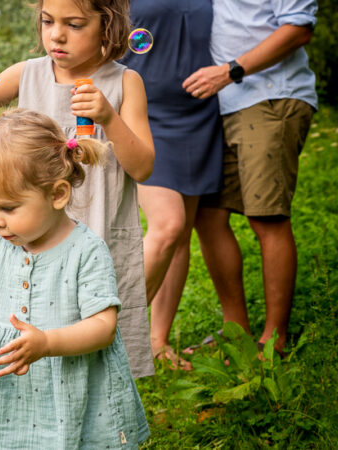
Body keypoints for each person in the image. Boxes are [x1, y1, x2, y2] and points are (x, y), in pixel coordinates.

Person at [0, 0, 155, 378]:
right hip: (33, 238)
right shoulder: (28, 74)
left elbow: (144, 167)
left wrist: (108, 118)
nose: (56, 34)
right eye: (48, 21)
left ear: (108, 26)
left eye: (75, 24)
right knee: (37, 329)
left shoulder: (124, 82)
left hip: (98, 234)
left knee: (95, 334)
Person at [0, 108, 149, 448]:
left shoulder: (85, 251)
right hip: (14, 389)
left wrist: (48, 344)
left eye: (8, 208)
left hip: (75, 386)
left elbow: (103, 326)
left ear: (57, 194)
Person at [182, 0, 318, 354]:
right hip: (222, 106)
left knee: (266, 217)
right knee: (208, 217)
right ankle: (235, 330)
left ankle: (274, 341)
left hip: (270, 97)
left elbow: (299, 28)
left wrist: (230, 71)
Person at [121, 1, 223, 370]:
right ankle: (110, 333)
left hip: (199, 114)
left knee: (180, 238)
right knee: (168, 226)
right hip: (143, 114)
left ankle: (156, 340)